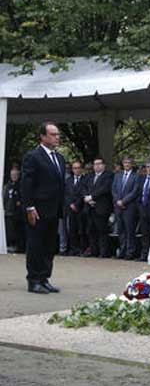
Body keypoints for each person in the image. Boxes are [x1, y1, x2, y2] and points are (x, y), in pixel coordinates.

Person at [20, 121, 66, 294]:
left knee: (49, 245)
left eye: (58, 134)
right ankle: (33, 280)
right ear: (43, 136)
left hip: (54, 210)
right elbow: (26, 184)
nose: (57, 137)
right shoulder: (33, 156)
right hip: (37, 210)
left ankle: (44, 278)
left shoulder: (59, 158)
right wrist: (29, 207)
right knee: (35, 245)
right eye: (53, 134)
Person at [83, 157, 114, 258]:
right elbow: (83, 187)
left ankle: (104, 252)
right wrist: (87, 198)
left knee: (102, 230)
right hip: (90, 207)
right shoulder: (89, 176)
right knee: (91, 230)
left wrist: (92, 197)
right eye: (95, 164)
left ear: (104, 165)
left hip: (101, 207)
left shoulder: (109, 175)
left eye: (99, 163)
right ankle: (93, 251)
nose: (97, 166)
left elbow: (104, 189)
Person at [111, 156, 140, 260]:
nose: (127, 164)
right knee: (121, 230)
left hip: (129, 207)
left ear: (132, 164)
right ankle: (122, 251)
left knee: (129, 230)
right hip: (118, 207)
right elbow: (113, 190)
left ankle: (130, 252)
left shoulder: (136, 176)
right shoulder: (117, 175)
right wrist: (118, 201)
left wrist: (124, 201)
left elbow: (135, 191)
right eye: (125, 162)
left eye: (128, 162)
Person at [136, 161, 150, 261]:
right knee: (144, 233)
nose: (149, 169)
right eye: (147, 167)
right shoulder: (141, 178)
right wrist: (139, 205)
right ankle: (144, 254)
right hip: (143, 208)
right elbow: (138, 192)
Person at [63, 162, 85, 256]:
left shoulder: (85, 179)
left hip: (81, 208)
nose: (77, 170)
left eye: (78, 168)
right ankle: (73, 249)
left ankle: (82, 249)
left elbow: (84, 193)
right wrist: (71, 204)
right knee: (71, 230)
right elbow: (66, 194)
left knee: (81, 229)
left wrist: (77, 204)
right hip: (70, 209)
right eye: (75, 168)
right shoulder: (68, 180)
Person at [3, 167, 24, 253]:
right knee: (9, 230)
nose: (14, 176)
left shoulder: (20, 185)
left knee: (17, 231)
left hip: (17, 213)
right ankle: (10, 245)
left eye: (15, 175)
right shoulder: (7, 186)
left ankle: (18, 247)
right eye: (12, 175)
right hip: (8, 211)